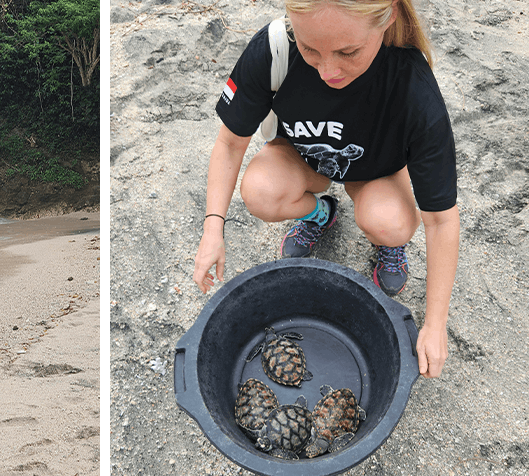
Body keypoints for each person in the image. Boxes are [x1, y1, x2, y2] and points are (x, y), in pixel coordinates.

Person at [192, 0, 458, 379]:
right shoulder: (274, 49)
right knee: (261, 190)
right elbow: (230, 143)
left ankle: (387, 244)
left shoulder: (412, 86)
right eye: (310, 48)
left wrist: (435, 323)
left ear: (389, 18)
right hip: (306, 159)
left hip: (375, 171)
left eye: (348, 52)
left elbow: (441, 219)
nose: (328, 70)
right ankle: (321, 212)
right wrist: (212, 229)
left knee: (390, 222)